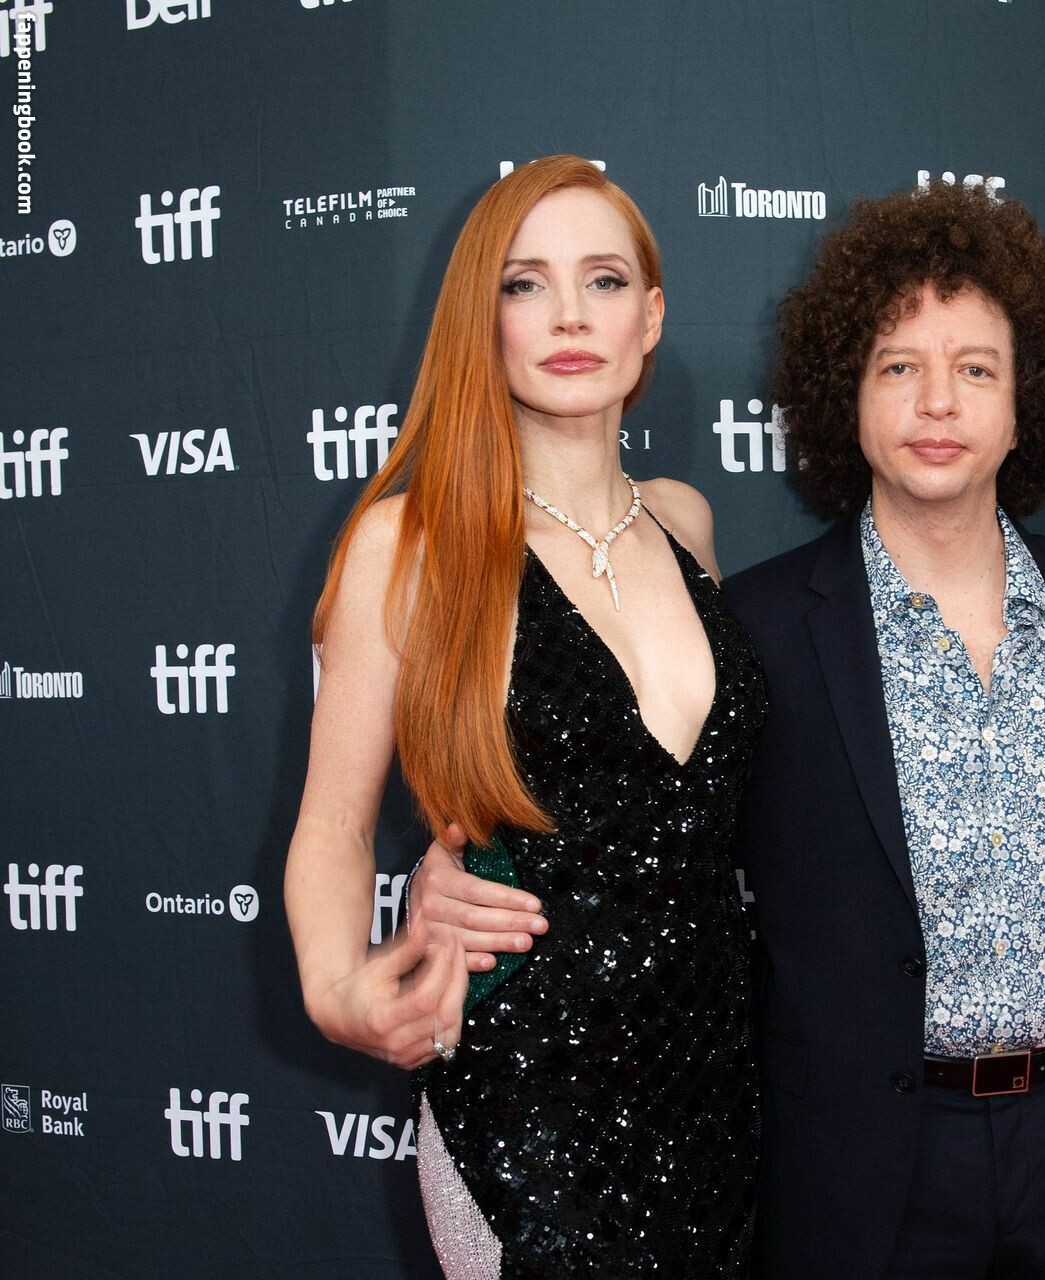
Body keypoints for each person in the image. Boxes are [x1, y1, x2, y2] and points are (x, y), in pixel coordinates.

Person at [284, 156, 764, 1277]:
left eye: (604, 280)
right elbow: (332, 825)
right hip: (527, 1107)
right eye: (524, 283)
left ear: (651, 318)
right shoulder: (409, 545)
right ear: (481, 317)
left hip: (718, 1088)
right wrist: (339, 986)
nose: (568, 315)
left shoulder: (686, 522)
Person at [725, 181, 1045, 1279]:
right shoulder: (763, 626)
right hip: (867, 1162)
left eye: (976, 369)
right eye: (899, 366)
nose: (938, 403)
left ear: (1026, 400)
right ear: (846, 395)